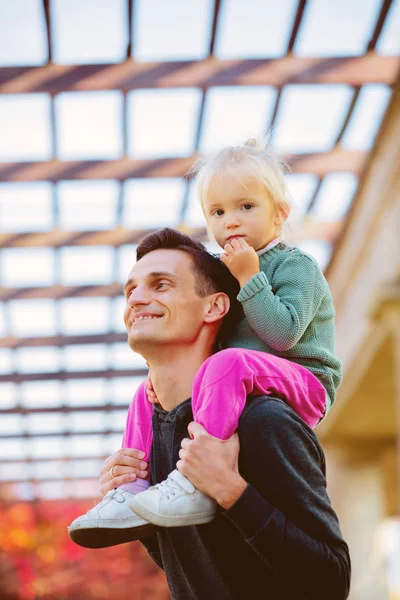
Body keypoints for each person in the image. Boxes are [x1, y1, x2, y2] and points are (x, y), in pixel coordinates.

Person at [69, 136, 342, 540]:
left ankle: (197, 480)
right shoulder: (221, 270)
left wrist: (250, 277)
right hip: (246, 382)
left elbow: (283, 336)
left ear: (279, 214)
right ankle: (130, 492)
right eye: (217, 211)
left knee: (226, 362)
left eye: (246, 207)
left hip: (304, 381)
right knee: (148, 393)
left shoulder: (295, 265)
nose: (230, 221)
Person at [69, 228, 350, 599]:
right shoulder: (155, 429)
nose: (136, 298)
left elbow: (332, 581)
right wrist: (142, 513)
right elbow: (198, 571)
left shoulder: (262, 420)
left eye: (161, 284)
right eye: (130, 290)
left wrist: (230, 490)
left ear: (214, 306)